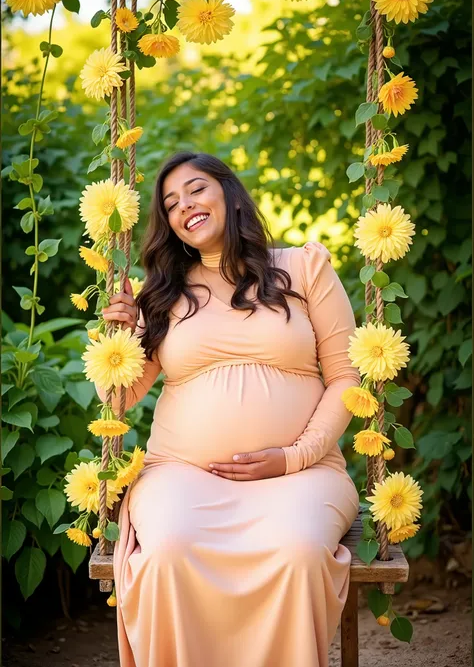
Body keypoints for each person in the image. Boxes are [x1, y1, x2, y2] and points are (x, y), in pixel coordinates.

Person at [96, 151, 361, 667]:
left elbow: (347, 378)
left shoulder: (304, 268)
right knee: (168, 550)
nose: (184, 206)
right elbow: (119, 400)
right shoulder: (163, 293)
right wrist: (120, 337)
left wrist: (294, 456)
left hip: (301, 475)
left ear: (229, 193)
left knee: (299, 551)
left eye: (195, 189)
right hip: (182, 474)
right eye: (171, 203)